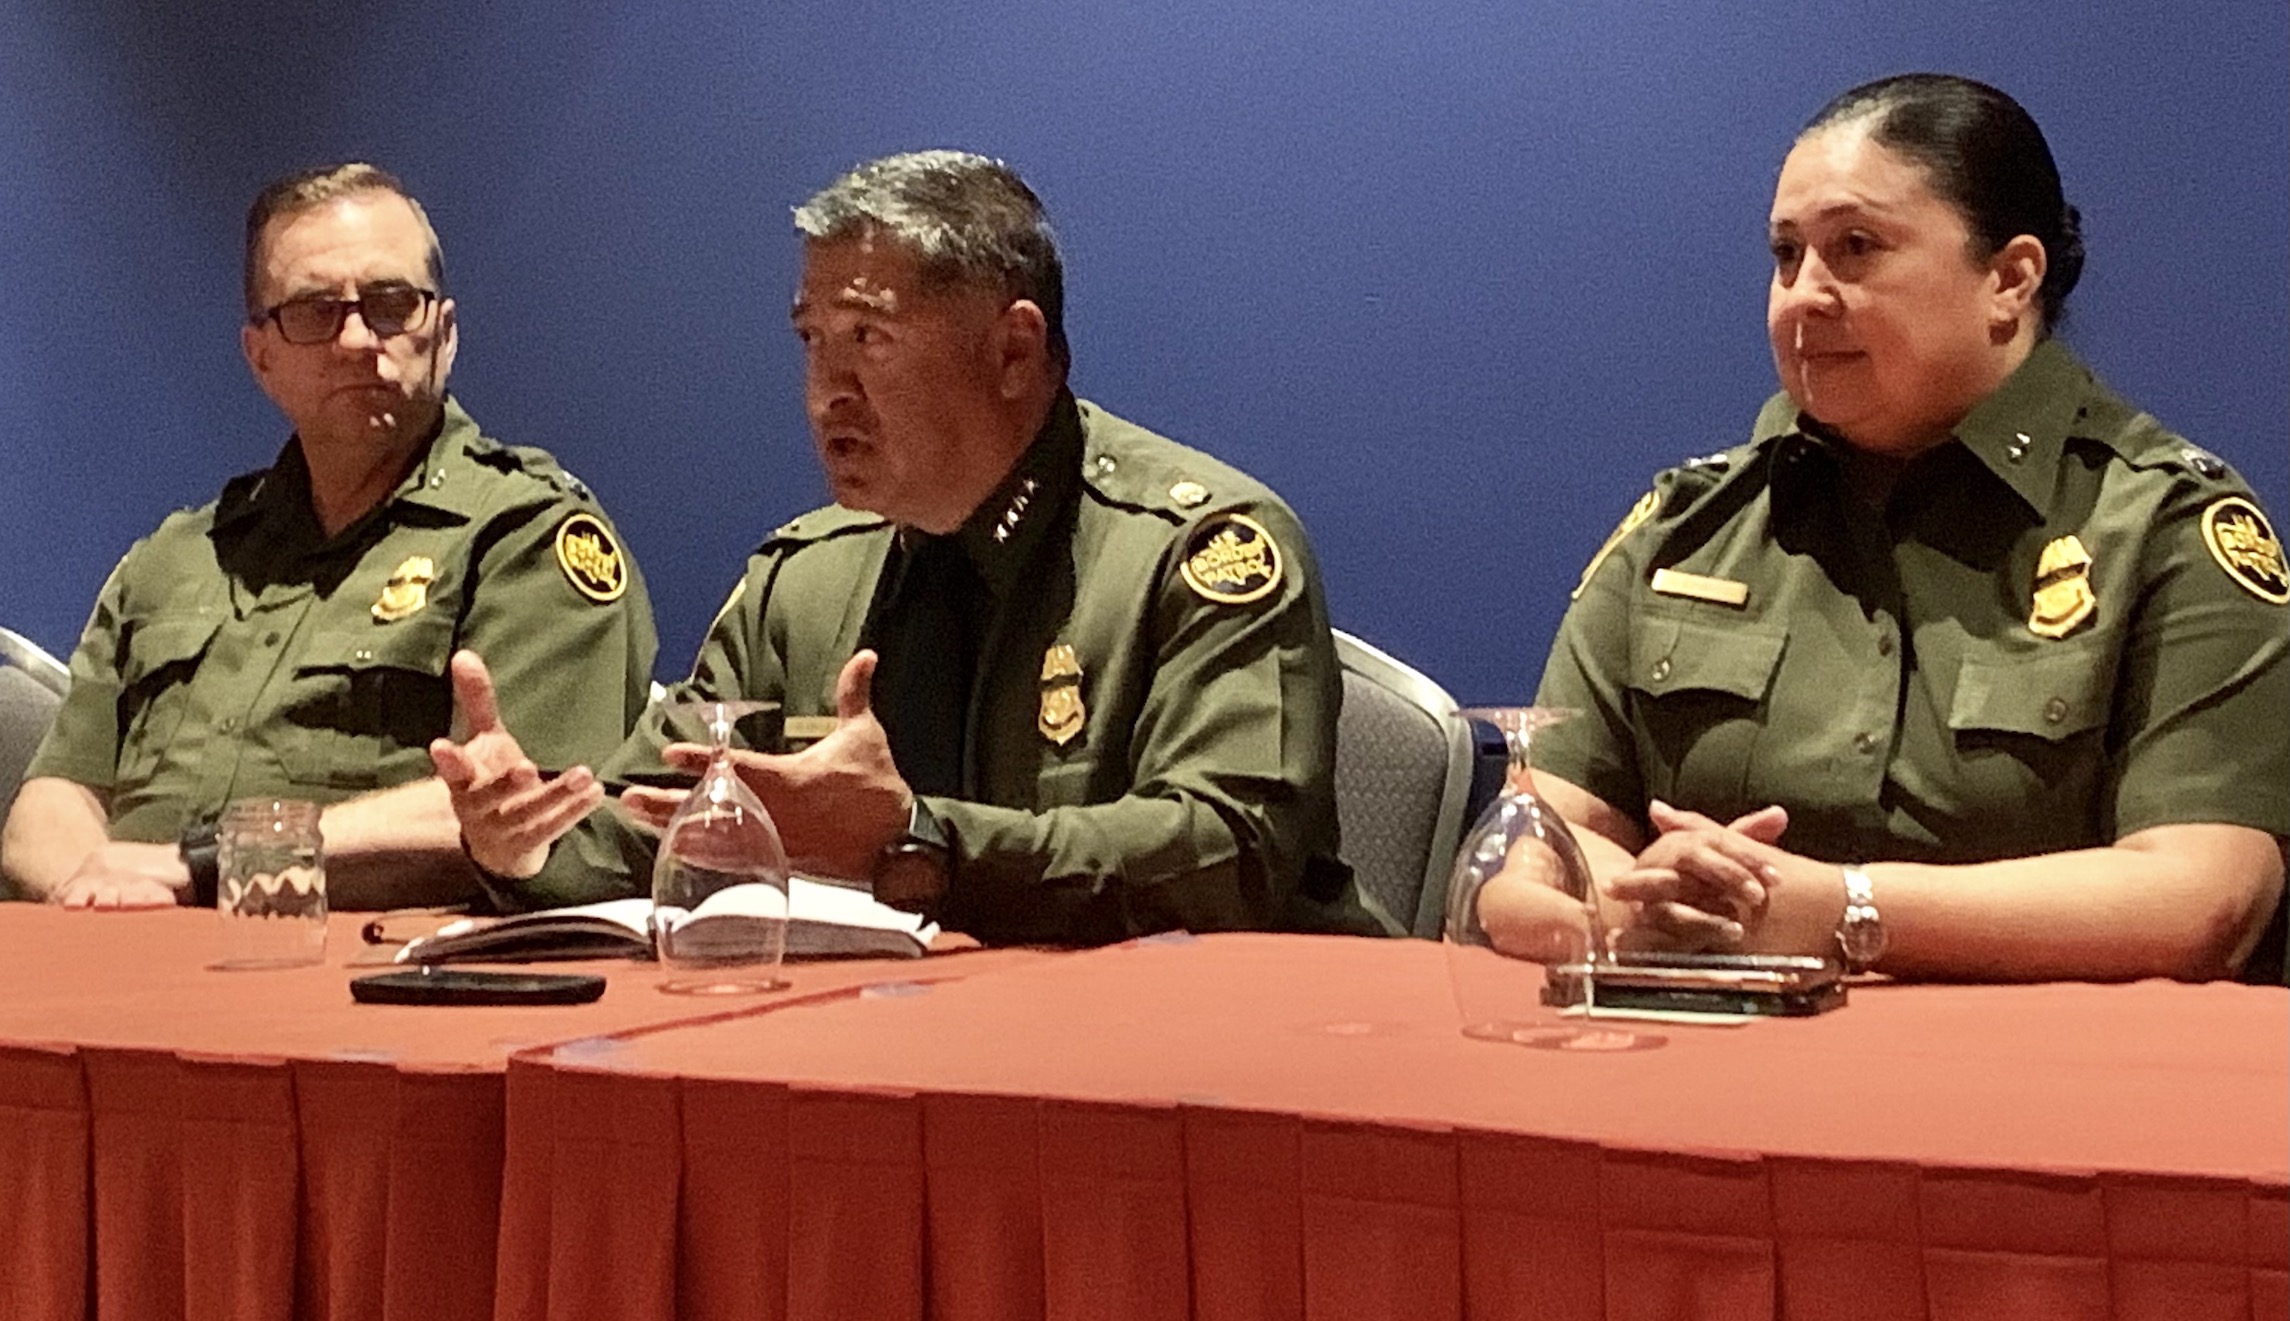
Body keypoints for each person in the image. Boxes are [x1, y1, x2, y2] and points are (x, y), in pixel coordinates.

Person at [434, 150, 1392, 945]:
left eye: (870, 338)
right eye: (813, 340)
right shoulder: (803, 579)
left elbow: (1226, 855)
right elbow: (661, 811)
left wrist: (915, 844)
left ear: (1014, 352)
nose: (827, 392)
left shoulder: (1199, 549)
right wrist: (525, 837)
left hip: (1199, 1077)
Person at [1499, 74, 2287, 983]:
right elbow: (1535, 841)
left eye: (1856, 248)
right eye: (1786, 254)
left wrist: (1846, 910)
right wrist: (1647, 903)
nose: (1802, 296)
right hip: (1695, 1054)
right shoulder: (1690, 523)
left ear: (2010, 279)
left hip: (2042, 1087)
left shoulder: (2165, 526)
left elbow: (2204, 898)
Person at [1, 164, 658, 910]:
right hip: (118, 963)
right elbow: (50, 804)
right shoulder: (178, 555)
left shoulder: (523, 536)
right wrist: (98, 894)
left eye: (390, 304)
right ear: (261, 357)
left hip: (368, 981)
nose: (354, 339)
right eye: (313, 311)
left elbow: (524, 815)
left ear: (443, 333)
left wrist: (206, 869)